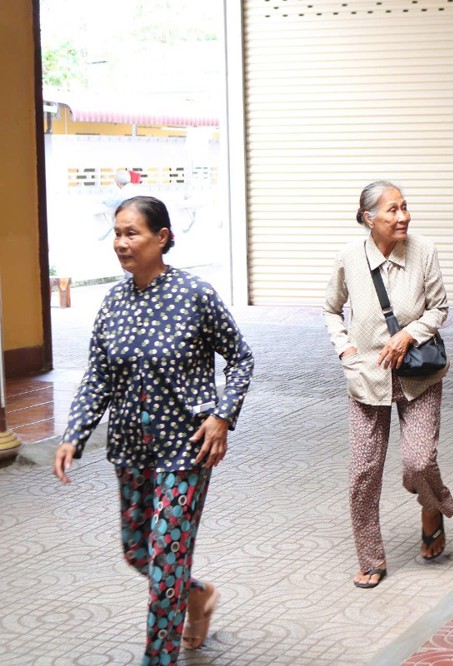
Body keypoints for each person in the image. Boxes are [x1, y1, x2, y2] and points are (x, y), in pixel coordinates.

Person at [52, 196, 254, 664]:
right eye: (117, 233)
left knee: (165, 561)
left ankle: (158, 656)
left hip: (186, 449)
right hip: (130, 450)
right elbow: (98, 376)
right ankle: (198, 595)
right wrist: (73, 435)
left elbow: (241, 358)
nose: (121, 243)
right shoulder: (113, 302)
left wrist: (222, 416)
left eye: (132, 233)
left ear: (162, 237)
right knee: (137, 552)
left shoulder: (194, 294)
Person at [323, 181, 453, 589]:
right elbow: (330, 309)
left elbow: (439, 309)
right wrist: (345, 350)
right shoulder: (349, 257)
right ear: (369, 218)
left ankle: (432, 506)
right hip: (367, 377)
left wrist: (408, 335)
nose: (403, 217)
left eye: (404, 207)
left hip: (419, 373)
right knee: (363, 472)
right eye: (392, 210)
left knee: (419, 461)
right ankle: (371, 558)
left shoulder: (424, 251)